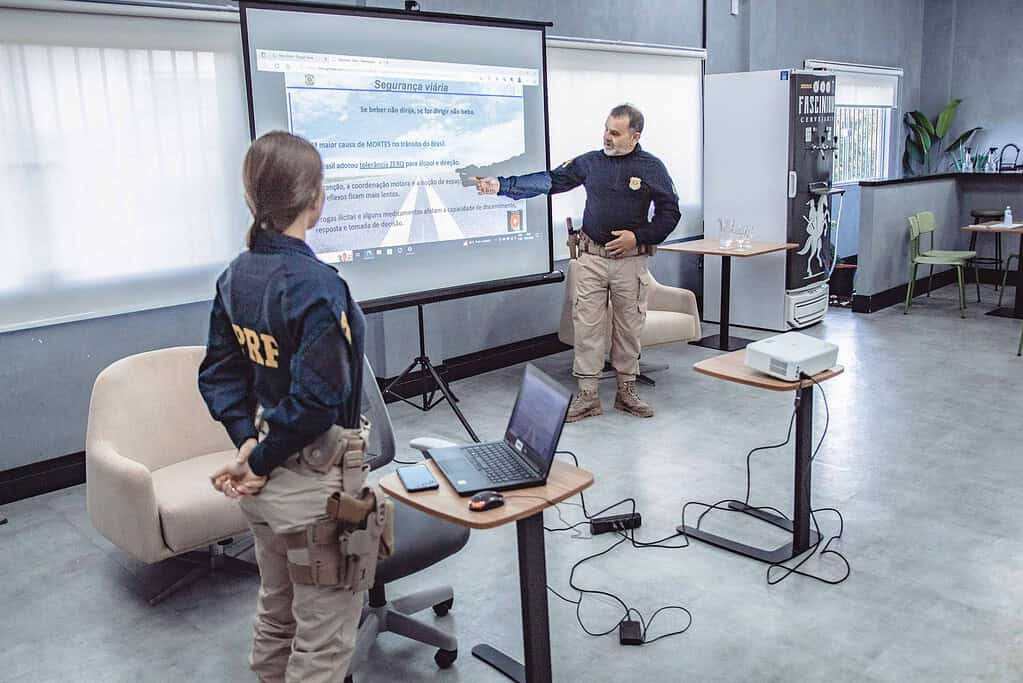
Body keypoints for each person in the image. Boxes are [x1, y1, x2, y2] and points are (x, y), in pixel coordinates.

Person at [198, 131, 387, 683]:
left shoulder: (237, 274)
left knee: (278, 615)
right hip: (313, 490)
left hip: (266, 489)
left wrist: (248, 444)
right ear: (316, 198)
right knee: (324, 647)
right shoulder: (316, 287)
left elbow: (219, 373)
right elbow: (316, 402)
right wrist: (256, 461)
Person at [474, 104, 681, 421]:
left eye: (615, 132)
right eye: (605, 129)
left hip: (629, 261)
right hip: (591, 258)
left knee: (628, 328)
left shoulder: (652, 167)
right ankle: (588, 397)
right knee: (587, 329)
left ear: (635, 135)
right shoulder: (590, 162)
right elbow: (550, 181)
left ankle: (626, 392)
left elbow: (670, 214)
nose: (607, 137)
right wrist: (502, 184)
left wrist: (638, 237)